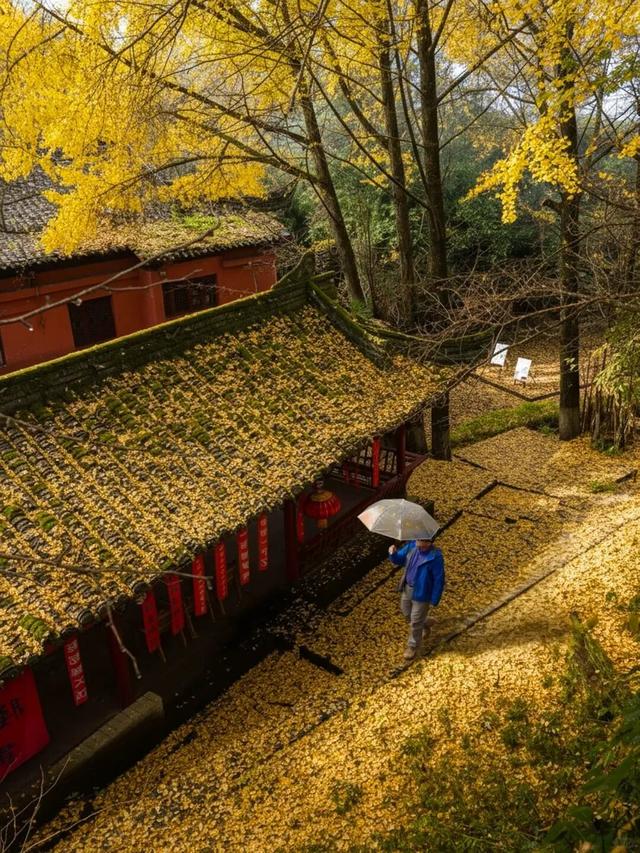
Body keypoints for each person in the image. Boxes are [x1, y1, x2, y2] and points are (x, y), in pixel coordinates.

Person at [389, 537, 445, 662]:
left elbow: (439, 579)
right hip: (407, 588)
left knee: (415, 622)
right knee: (406, 612)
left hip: (422, 593)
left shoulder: (435, 557)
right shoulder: (411, 547)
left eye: (422, 543)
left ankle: (412, 646)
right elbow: (399, 559)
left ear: (429, 542)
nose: (419, 545)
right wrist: (393, 554)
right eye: (418, 542)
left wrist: (434, 599)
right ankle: (425, 622)